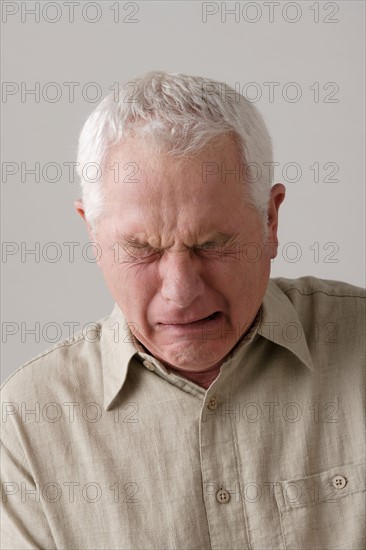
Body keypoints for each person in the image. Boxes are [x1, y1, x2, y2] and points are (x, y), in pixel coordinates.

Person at [1, 71, 364, 550]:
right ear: (93, 234)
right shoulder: (31, 419)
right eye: (141, 249)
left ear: (271, 220)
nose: (181, 292)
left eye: (213, 244)